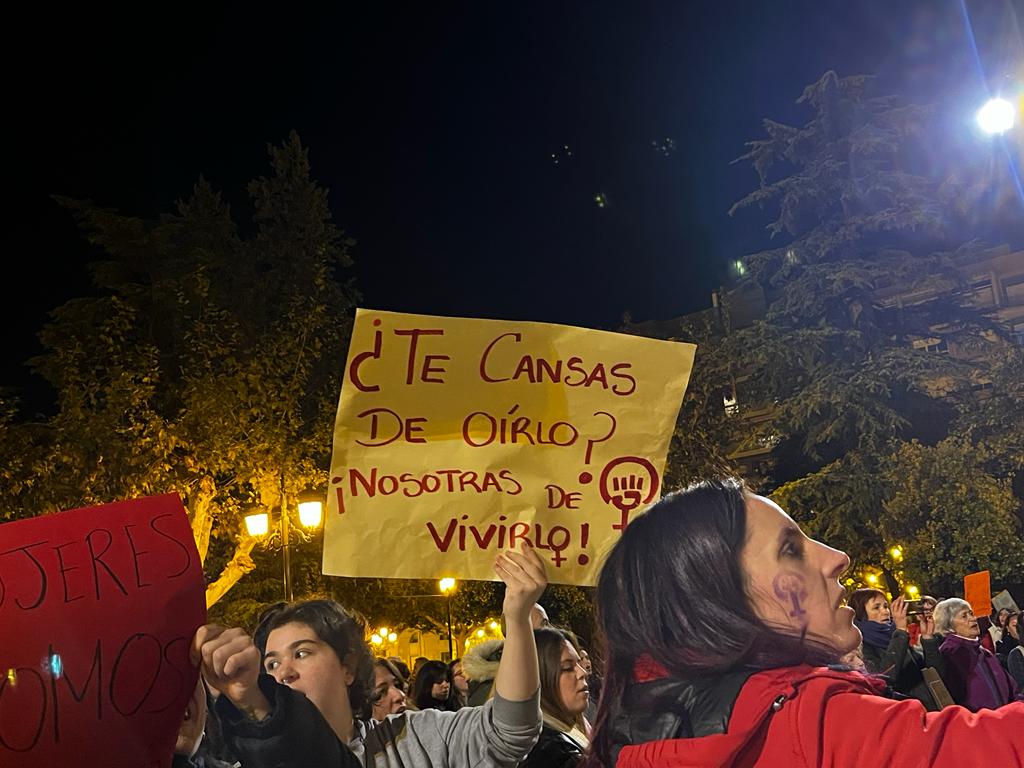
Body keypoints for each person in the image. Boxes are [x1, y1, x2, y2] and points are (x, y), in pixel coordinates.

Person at [581, 479, 1023, 768]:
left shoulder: (635, 744)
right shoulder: (813, 725)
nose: (837, 558)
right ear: (715, 601)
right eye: (791, 549)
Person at [192, 543, 547, 768]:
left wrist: (517, 618)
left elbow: (508, 732)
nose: (283, 673)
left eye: (301, 653)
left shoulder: (417, 737)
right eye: (270, 663)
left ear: (347, 667)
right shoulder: (256, 760)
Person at [847, 588, 942, 709]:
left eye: (885, 606)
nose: (886, 612)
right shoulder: (861, 646)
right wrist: (901, 632)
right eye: (877, 607)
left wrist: (928, 639)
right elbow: (885, 679)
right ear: (861, 614)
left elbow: (935, 672)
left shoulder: (897, 637)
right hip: (905, 716)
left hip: (930, 712)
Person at [933, 598, 1021, 711]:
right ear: (948, 625)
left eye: (971, 613)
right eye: (964, 616)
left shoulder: (984, 652)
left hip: (1005, 720)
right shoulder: (949, 653)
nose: (973, 619)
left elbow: (1013, 689)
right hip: (978, 725)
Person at [519, 627, 590, 768]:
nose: (582, 673)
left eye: (579, 664)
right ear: (541, 679)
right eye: (568, 668)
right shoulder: (553, 754)